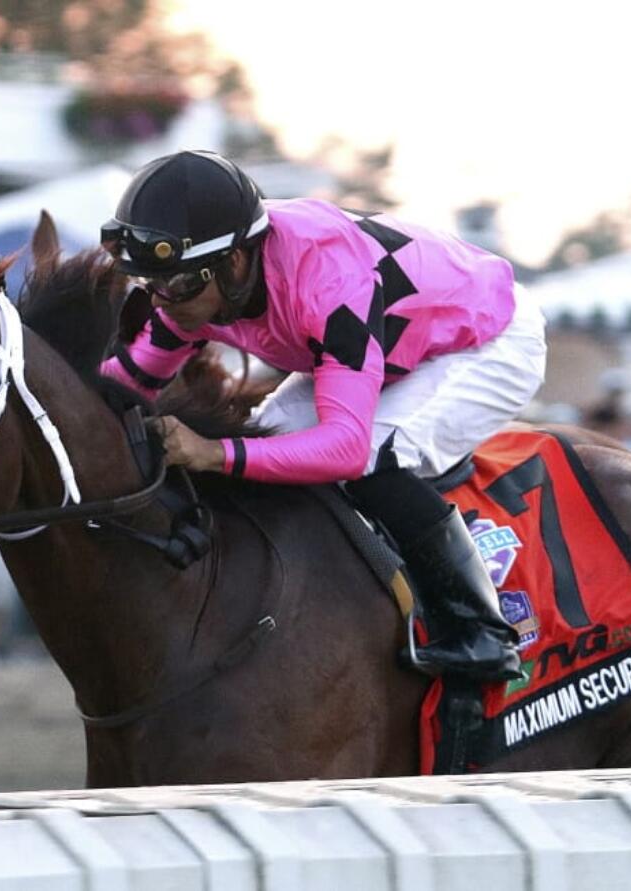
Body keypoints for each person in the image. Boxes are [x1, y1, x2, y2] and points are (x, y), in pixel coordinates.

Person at [98, 150, 547, 681]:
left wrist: (211, 452)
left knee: (371, 458)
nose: (164, 302)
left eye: (176, 285)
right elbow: (124, 382)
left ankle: (483, 633)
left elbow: (345, 447)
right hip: (392, 343)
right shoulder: (200, 282)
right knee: (267, 442)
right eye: (152, 284)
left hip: (487, 338)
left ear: (236, 261)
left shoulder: (328, 279)